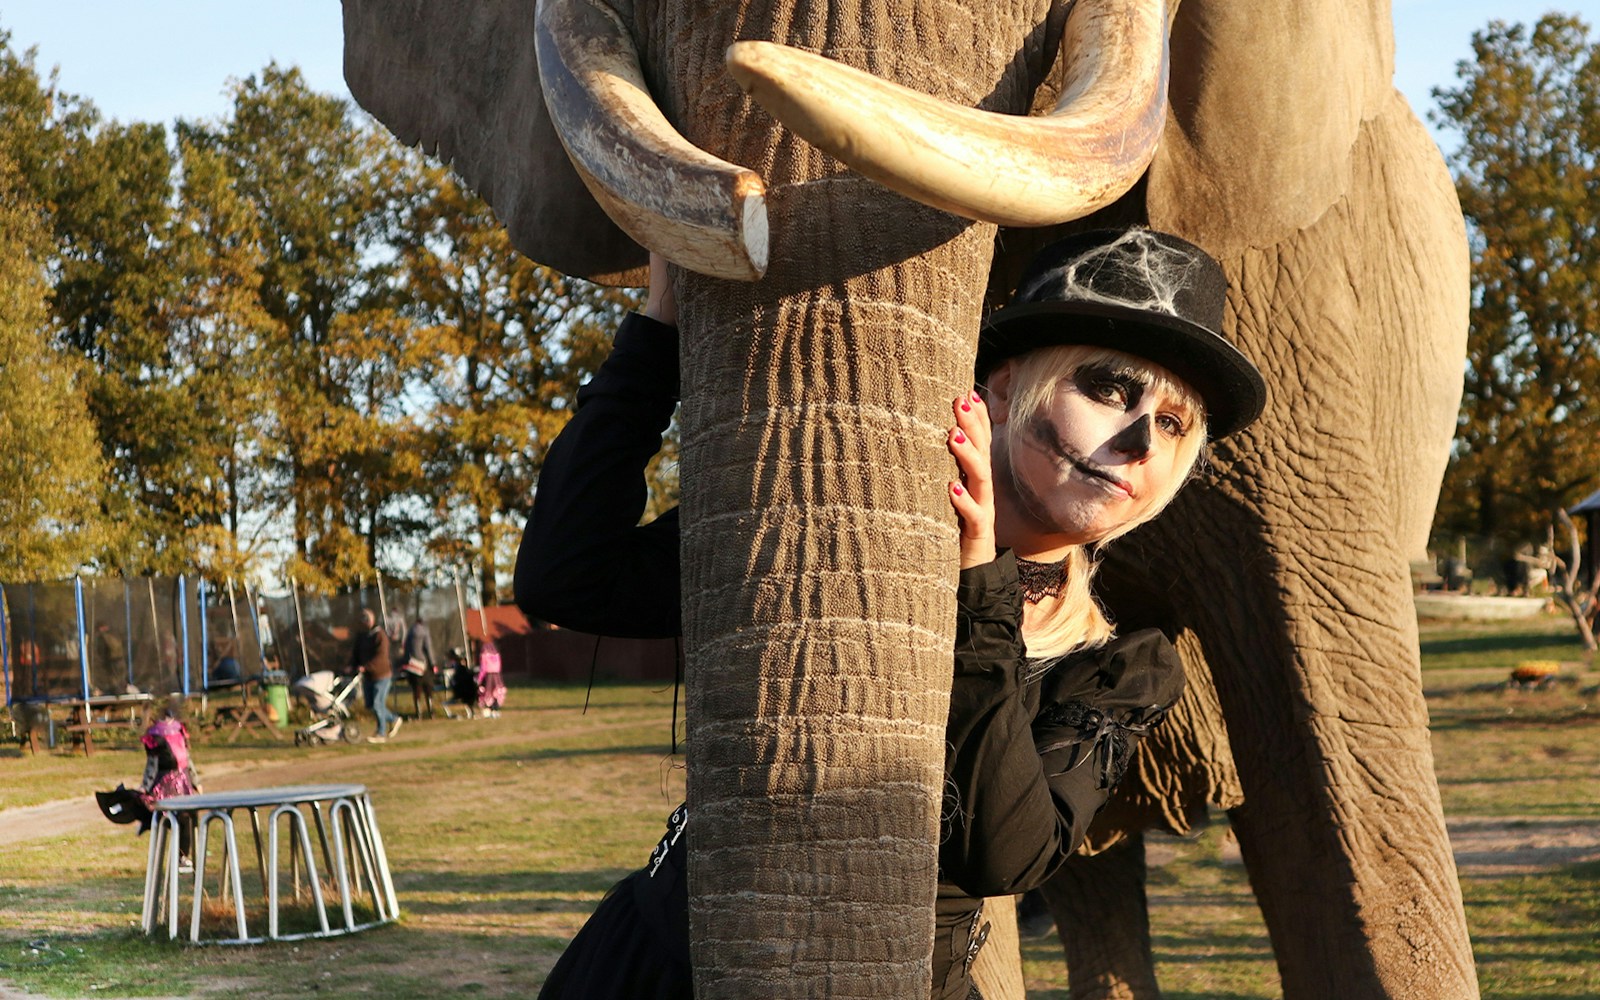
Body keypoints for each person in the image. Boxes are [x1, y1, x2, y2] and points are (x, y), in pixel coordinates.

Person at [515, 229, 1266, 1000]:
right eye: (1110, 388)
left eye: (1173, 423)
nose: (1141, 442)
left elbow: (1003, 856)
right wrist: (655, 340)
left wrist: (983, 582)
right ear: (1004, 390)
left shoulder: (1118, 670)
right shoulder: (838, 506)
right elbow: (569, 579)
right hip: (669, 968)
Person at [351, 608, 401, 743]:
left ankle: (381, 733)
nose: (364, 622)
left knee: (378, 703)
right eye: (362, 620)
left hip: (382, 675)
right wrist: (352, 666)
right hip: (368, 677)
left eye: (366, 619)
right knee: (371, 705)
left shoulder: (380, 635)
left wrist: (366, 667)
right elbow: (356, 654)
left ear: (372, 620)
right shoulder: (361, 637)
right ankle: (393, 719)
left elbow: (381, 656)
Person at [401, 617, 438, 719]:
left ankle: (418, 712)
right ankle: (431, 711)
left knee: (416, 689)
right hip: (423, 665)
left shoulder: (409, 632)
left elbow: (406, 649)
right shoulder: (424, 632)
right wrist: (433, 663)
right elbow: (428, 648)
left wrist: (405, 662)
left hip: (412, 665)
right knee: (428, 688)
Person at [475, 639, 506, 718]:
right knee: (496, 693)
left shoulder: (484, 655)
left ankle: (490, 709)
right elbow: (499, 667)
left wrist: (479, 678)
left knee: (488, 693)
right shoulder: (496, 655)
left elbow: (483, 668)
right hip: (497, 676)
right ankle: (496, 710)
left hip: (488, 676)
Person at [446, 647, 479, 719]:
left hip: (465, 690)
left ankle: (471, 710)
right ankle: (471, 710)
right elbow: (456, 681)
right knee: (471, 690)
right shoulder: (457, 668)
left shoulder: (461, 668)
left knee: (472, 689)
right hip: (462, 691)